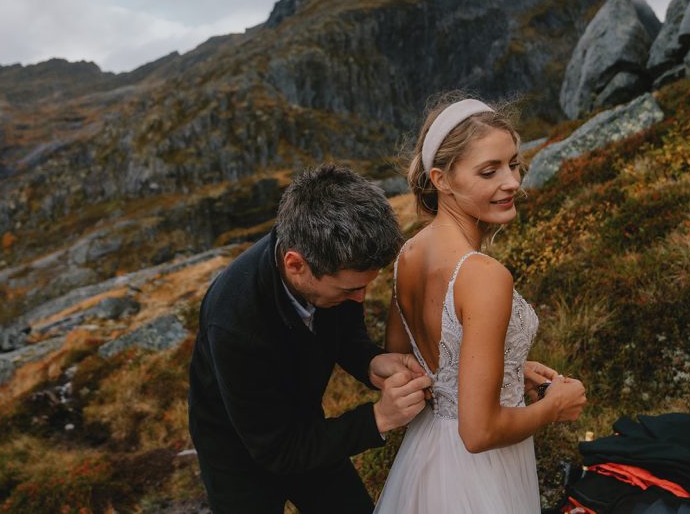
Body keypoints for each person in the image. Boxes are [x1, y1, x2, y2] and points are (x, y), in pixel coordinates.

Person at [373, 93, 588, 513]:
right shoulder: (484, 276)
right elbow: (479, 431)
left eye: (513, 164)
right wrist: (555, 406)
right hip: (478, 473)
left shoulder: (409, 255)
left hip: (428, 456)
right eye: (489, 171)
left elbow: (404, 363)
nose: (511, 182)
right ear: (442, 179)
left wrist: (504, 369)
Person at [188, 163, 433, 514]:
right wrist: (379, 418)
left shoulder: (332, 262)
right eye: (351, 289)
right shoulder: (233, 323)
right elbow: (278, 450)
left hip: (307, 427)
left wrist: (369, 362)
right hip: (237, 454)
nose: (360, 299)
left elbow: (344, 331)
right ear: (295, 265)